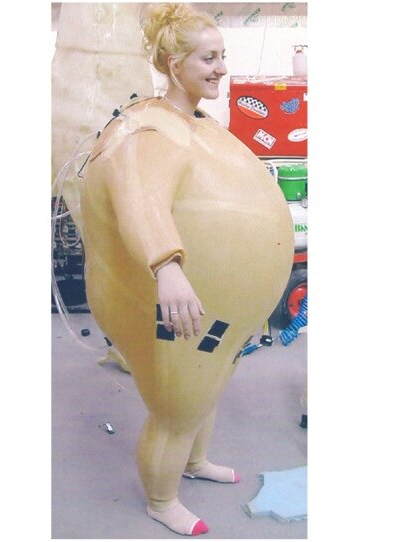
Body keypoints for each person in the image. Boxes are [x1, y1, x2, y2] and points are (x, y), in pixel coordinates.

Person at [80, 3, 295, 536]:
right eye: (208, 58)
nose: (222, 68)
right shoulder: (149, 130)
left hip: (217, 308)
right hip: (172, 300)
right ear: (175, 64)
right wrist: (168, 268)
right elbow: (141, 200)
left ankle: (194, 463)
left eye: (222, 55)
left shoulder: (193, 122)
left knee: (207, 386)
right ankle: (161, 499)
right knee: (179, 404)